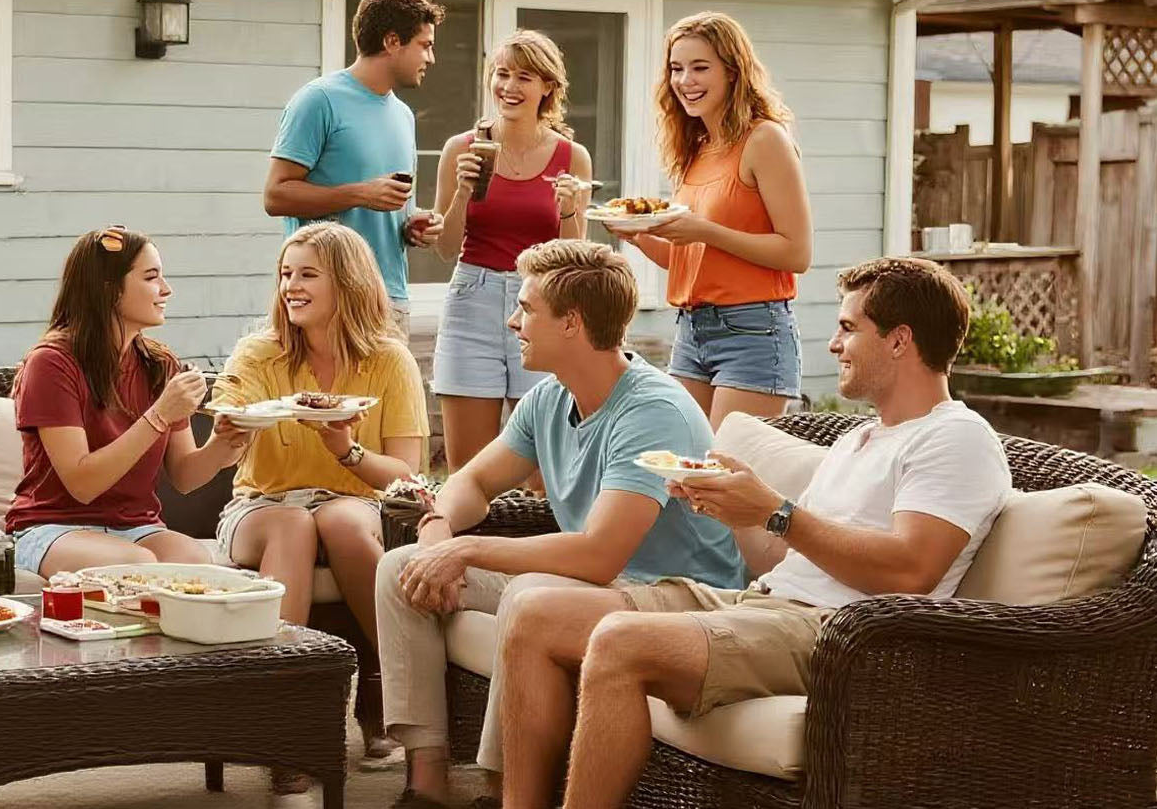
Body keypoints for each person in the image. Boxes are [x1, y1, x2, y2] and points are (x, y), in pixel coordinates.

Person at [498, 256, 1011, 809]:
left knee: (620, 643)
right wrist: (729, 506)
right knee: (535, 616)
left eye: (847, 328)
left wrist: (775, 509)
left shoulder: (954, 437)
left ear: (899, 340)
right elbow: (778, 560)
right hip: (764, 603)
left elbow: (912, 569)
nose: (834, 346)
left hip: (839, 635)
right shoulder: (858, 440)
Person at [377, 239, 744, 809]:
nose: (512, 320)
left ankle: (512, 792)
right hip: (592, 584)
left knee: (530, 591)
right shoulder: (550, 397)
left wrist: (467, 554)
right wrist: (436, 532)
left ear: (571, 323)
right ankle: (425, 783)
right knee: (400, 568)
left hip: (670, 592)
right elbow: (472, 482)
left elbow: (601, 555)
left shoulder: (653, 412)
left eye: (527, 309)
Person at [213, 221, 429, 789]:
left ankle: (385, 692)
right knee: (293, 524)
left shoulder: (389, 359)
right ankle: (289, 721)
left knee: (342, 522)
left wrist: (347, 448)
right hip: (261, 505)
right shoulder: (259, 351)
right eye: (286, 274)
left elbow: (405, 472)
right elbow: (229, 415)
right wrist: (229, 424)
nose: (291, 286)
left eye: (308, 274)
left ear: (348, 284)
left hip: (351, 497)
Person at [7, 226, 254, 578]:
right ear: (108, 289)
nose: (166, 289)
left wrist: (226, 441)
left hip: (136, 528)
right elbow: (83, 484)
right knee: (138, 567)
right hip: (53, 527)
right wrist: (159, 415)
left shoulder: (158, 364)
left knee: (198, 566)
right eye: (151, 277)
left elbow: (185, 474)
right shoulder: (51, 363)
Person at [612, 11, 812, 430]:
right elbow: (684, 259)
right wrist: (636, 234)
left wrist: (704, 230)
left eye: (700, 67)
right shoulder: (696, 149)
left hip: (752, 331)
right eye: (676, 69)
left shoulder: (765, 140)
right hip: (691, 329)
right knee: (681, 471)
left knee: (723, 475)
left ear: (734, 73)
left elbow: (796, 252)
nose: (685, 80)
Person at [430, 29, 594, 475]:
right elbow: (445, 249)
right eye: (502, 74)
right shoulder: (462, 149)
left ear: (547, 88)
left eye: (524, 77)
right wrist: (463, 193)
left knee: (545, 466)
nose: (509, 87)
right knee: (470, 469)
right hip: (472, 301)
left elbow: (574, 260)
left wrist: (568, 211)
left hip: (544, 306)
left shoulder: (572, 157)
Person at [263, 0, 446, 337]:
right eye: (425, 45)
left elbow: (389, 206)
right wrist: (361, 194)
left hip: (388, 299)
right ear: (392, 41)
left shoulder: (403, 115)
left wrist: (413, 225)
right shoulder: (318, 101)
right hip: (326, 298)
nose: (431, 58)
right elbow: (276, 195)